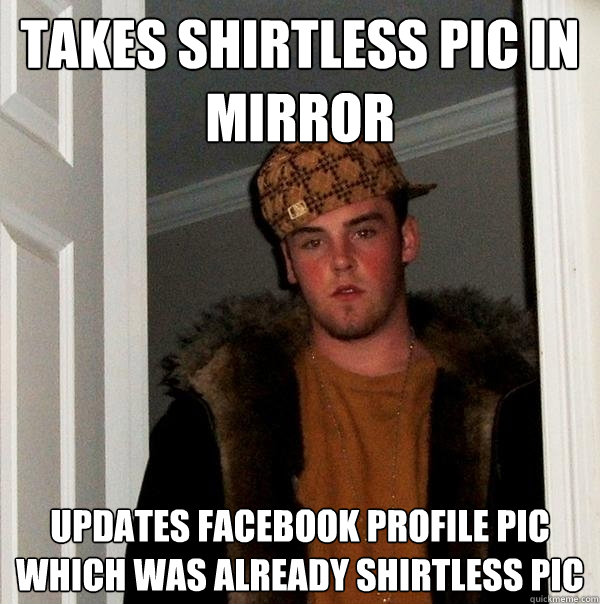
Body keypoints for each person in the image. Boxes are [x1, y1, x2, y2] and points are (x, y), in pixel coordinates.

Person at [125, 140, 543, 604]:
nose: (340, 260)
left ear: (406, 240)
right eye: (313, 241)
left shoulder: (514, 411)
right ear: (289, 263)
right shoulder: (210, 423)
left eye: (363, 232)